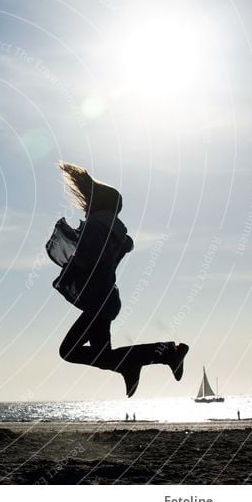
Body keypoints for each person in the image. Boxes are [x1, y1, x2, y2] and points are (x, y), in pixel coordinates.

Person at [47, 163, 189, 397]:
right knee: (103, 357)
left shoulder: (95, 226)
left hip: (100, 302)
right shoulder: (113, 232)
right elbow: (104, 256)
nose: (84, 207)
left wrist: (68, 271)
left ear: (97, 203)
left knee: (69, 351)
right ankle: (150, 358)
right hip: (106, 300)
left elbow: (87, 259)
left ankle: (162, 354)